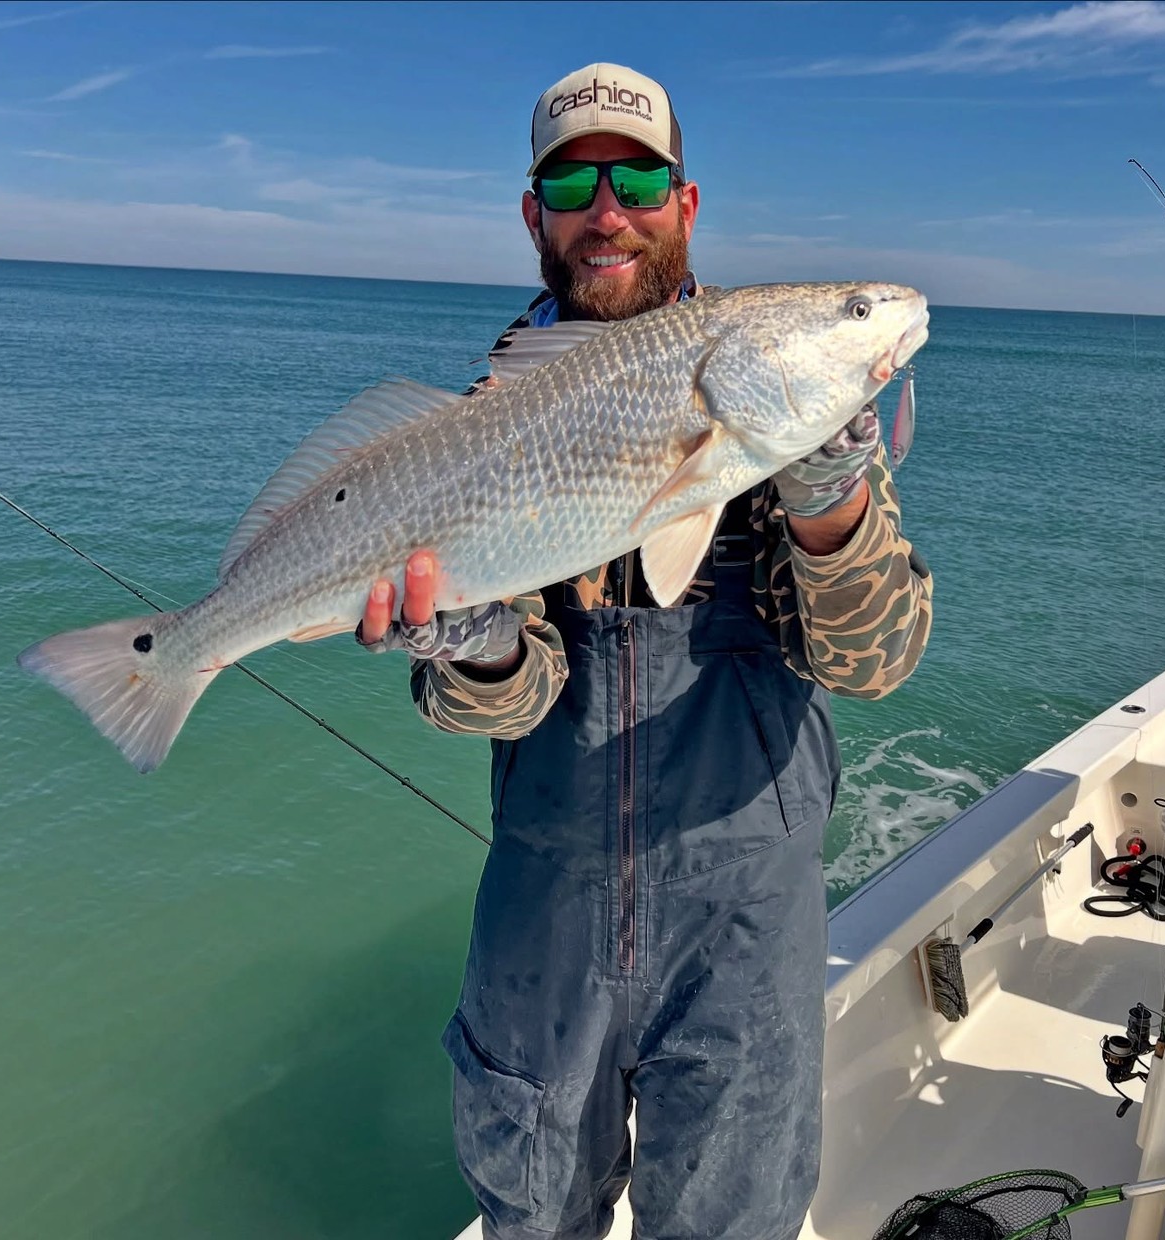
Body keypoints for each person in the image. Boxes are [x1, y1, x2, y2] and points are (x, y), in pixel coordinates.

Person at [357, 63, 933, 1240]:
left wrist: (828, 503)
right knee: (532, 1212)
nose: (605, 208)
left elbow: (877, 661)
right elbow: (488, 711)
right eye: (571, 179)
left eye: (639, 178)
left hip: (743, 917)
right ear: (534, 213)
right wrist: (470, 645)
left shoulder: (772, 373)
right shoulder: (480, 419)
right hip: (543, 913)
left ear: (686, 201)